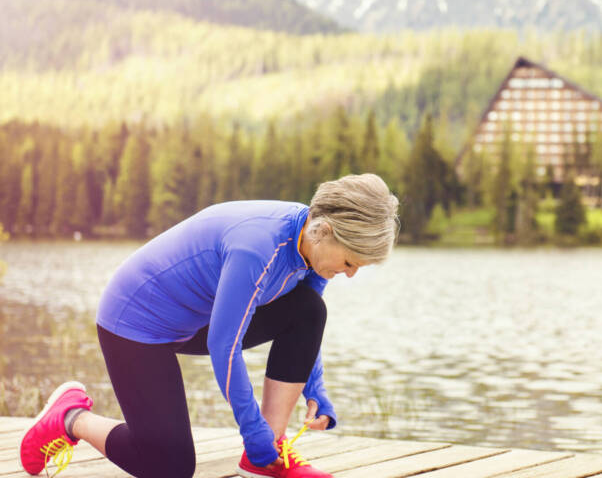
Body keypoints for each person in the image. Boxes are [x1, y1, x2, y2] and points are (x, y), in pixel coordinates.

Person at [20, 173, 400, 478]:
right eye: (350, 262)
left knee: (309, 308)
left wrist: (315, 387)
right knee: (168, 467)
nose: (348, 275)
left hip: (195, 317)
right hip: (135, 322)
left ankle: (267, 458)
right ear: (327, 231)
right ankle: (70, 418)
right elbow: (225, 348)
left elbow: (303, 316)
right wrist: (252, 432)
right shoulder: (259, 248)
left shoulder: (312, 244)